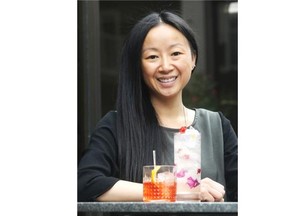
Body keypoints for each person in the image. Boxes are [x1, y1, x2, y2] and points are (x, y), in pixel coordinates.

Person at [78, 11, 238, 202]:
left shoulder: (217, 127)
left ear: (193, 58)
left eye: (176, 53)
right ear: (138, 65)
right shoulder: (116, 126)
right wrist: (174, 191)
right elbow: (86, 184)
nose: (165, 66)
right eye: (152, 57)